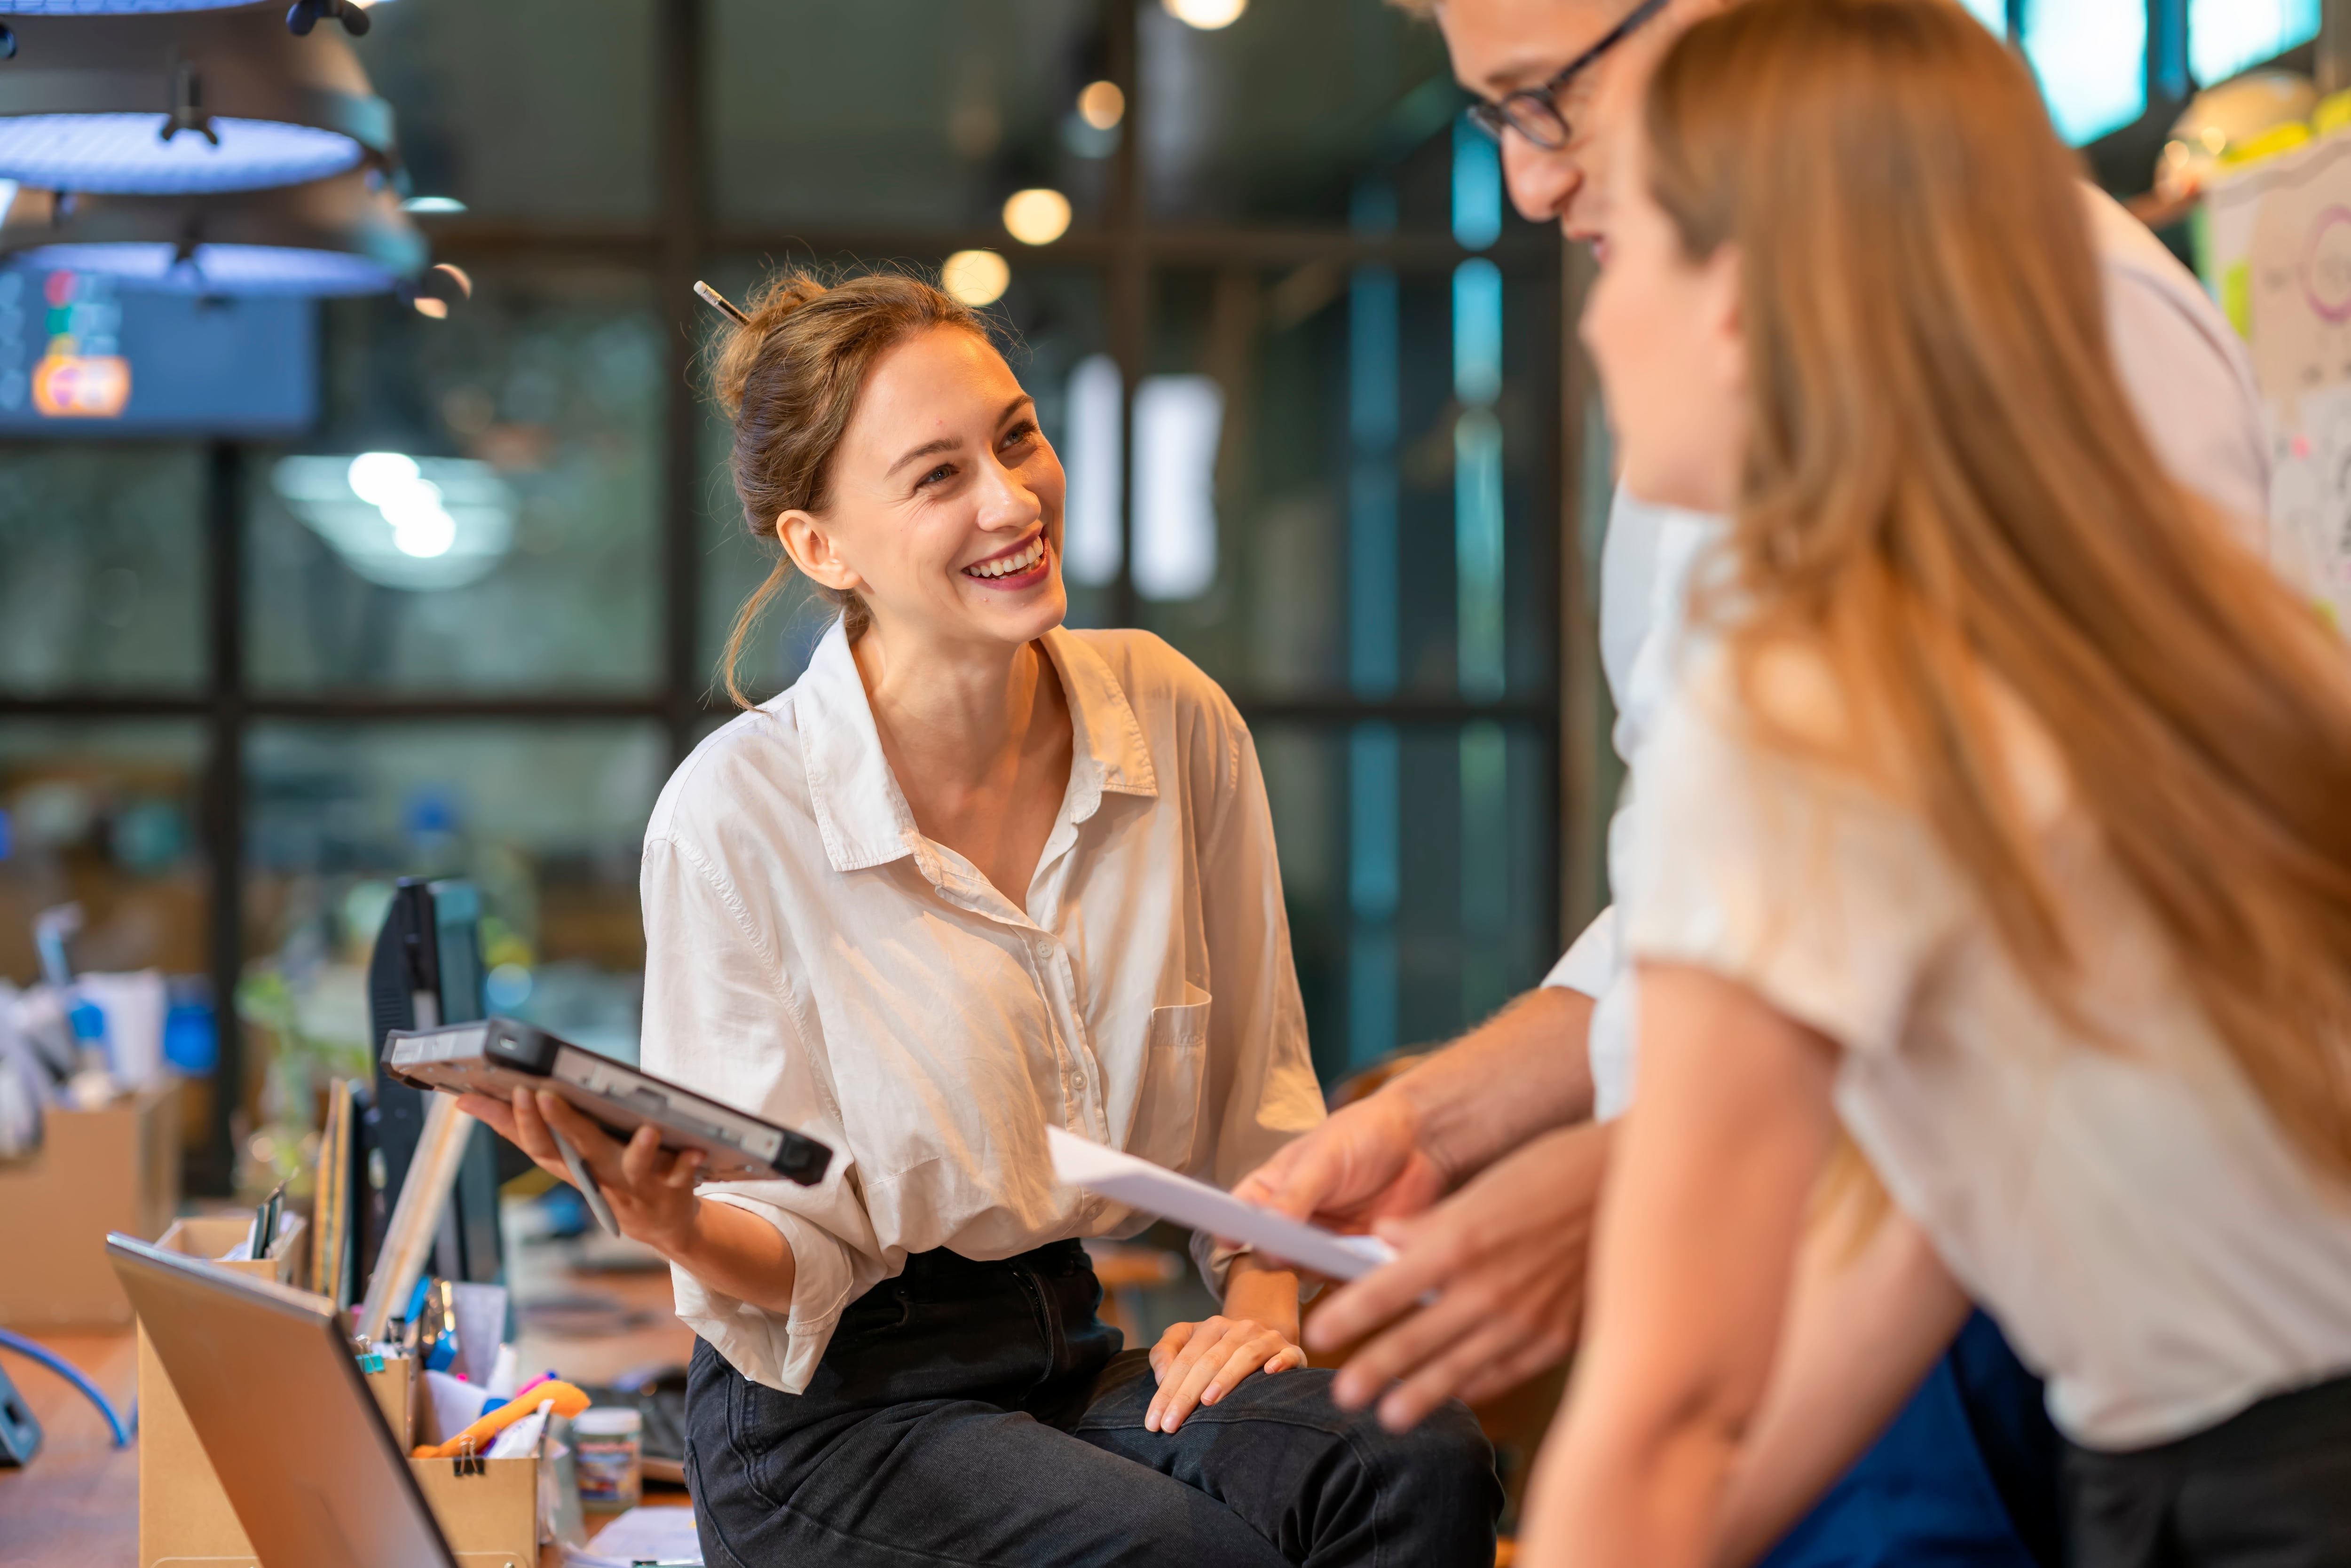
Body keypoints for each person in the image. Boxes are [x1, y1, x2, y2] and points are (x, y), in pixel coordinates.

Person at [1237, 0, 2269, 1555]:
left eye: (1549, 104)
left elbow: (1708, 1365)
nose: (1535, 201)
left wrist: (1638, 1203)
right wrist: (1456, 1124)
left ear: (1760, 286)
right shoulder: (1795, 573)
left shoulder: (1802, 671)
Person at [462, 270, 1500, 1568]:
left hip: (1062, 1350)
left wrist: (1267, 1306)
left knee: (1416, 1464)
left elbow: (1257, 1106)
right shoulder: (736, 815)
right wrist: (669, 1222)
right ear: (820, 548)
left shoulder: (1173, 722)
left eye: (1016, 438)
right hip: (828, 1420)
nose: (1013, 501)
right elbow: (788, 1250)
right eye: (936, 476)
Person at [1517, 1, 2351, 1564]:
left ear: (1749, 301)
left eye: (1629, 255)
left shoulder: (1800, 694)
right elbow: (1934, 1212)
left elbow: (1664, 1406)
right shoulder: (2131, 617)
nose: (1590, 321)